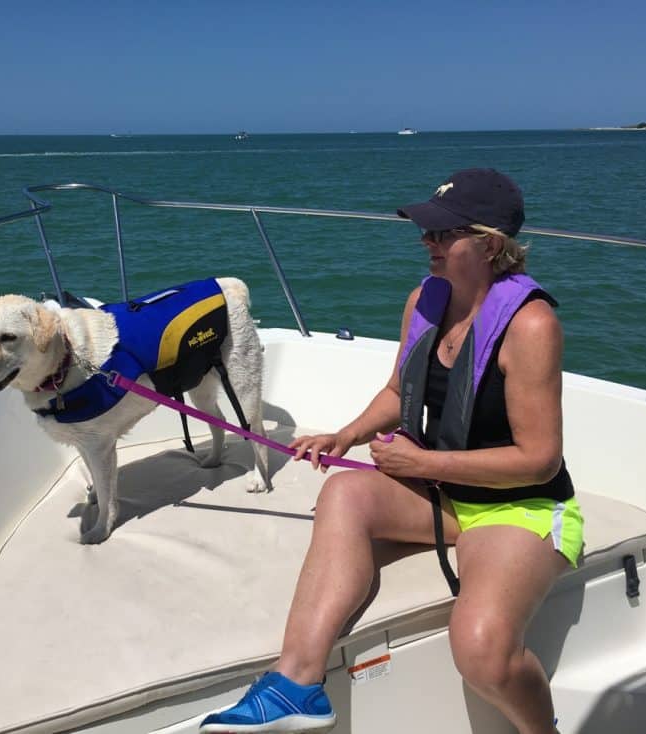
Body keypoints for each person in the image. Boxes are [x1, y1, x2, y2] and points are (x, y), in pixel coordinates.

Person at [199, 168, 583, 734]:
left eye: (442, 234)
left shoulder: (531, 325)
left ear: (490, 245)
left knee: (481, 650)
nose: (425, 241)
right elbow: (398, 389)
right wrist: (345, 435)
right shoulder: (424, 301)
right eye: (425, 230)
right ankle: (297, 686)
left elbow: (539, 459)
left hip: (519, 507)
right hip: (444, 494)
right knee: (346, 493)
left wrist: (423, 463)